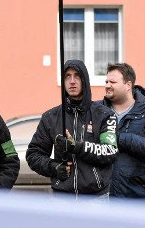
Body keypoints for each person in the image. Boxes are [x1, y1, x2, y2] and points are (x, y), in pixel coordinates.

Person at [26, 60, 118, 199]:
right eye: (67, 76)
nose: (72, 81)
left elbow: (110, 151)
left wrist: (76, 146)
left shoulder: (104, 115)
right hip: (62, 199)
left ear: (85, 80)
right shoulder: (51, 117)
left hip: (96, 199)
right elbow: (33, 155)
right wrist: (54, 168)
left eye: (77, 76)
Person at [101, 63, 145, 199]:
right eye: (106, 81)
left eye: (113, 82)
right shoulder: (97, 110)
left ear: (128, 85)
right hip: (101, 198)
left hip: (135, 198)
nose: (107, 85)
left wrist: (120, 139)